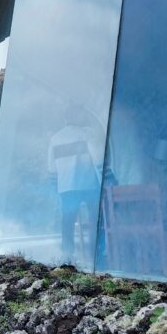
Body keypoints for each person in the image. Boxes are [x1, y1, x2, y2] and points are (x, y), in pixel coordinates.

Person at [48, 104, 104, 264]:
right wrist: (108, 179)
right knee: (95, 219)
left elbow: (51, 169)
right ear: (76, 116)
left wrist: (56, 188)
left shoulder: (55, 138)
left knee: (68, 221)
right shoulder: (87, 134)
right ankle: (97, 254)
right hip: (88, 185)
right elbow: (99, 159)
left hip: (66, 188)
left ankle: (67, 256)